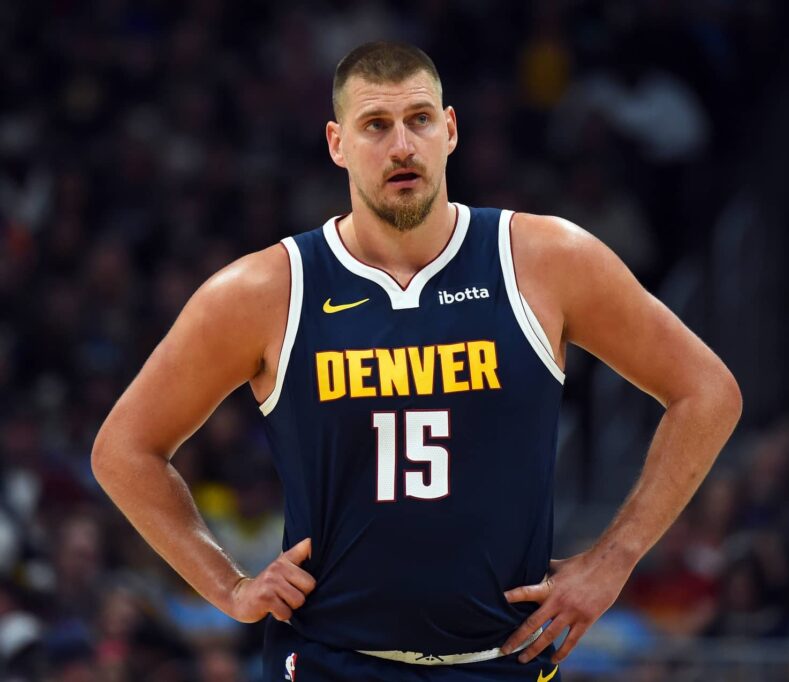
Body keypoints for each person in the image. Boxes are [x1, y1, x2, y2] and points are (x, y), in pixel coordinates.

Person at [91, 41, 742, 681]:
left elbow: (706, 392)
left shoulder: (545, 260)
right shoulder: (267, 290)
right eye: (375, 125)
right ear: (336, 143)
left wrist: (614, 560)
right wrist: (228, 587)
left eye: (419, 120)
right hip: (329, 660)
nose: (401, 145)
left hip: (503, 662)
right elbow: (124, 449)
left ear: (449, 129)